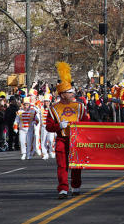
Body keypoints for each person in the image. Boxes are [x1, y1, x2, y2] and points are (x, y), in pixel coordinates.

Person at [46, 61, 89, 199]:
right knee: (62, 166)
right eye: (70, 92)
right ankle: (63, 189)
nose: (73, 94)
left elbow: (86, 123)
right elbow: (48, 126)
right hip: (62, 139)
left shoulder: (80, 107)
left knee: (77, 165)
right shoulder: (54, 108)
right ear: (63, 94)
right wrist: (60, 126)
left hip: (76, 140)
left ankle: (76, 187)